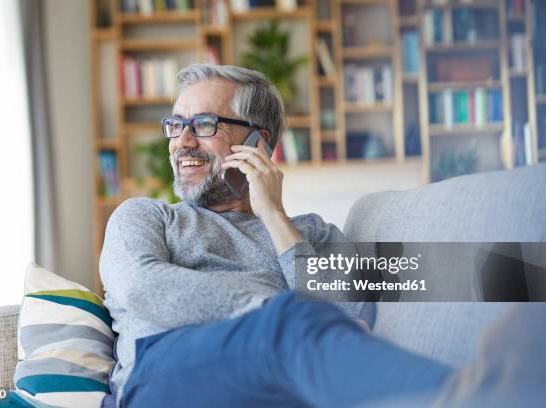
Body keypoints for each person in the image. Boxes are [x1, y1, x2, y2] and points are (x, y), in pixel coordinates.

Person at [99, 64, 451, 407]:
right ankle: (468, 396)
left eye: (204, 125)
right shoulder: (145, 216)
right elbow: (141, 288)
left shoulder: (310, 233)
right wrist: (274, 311)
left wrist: (273, 214)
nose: (182, 142)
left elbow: (352, 315)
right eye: (175, 126)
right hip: (160, 375)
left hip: (276, 383)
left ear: (257, 143)